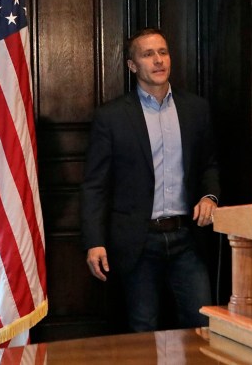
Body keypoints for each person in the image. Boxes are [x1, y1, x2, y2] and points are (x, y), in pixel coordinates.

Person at [80, 27, 220, 332]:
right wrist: (94, 242)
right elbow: (95, 185)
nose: (158, 61)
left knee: (202, 324)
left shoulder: (196, 109)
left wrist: (210, 197)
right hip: (138, 242)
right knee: (143, 328)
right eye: (148, 54)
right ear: (133, 65)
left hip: (187, 239)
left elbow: (209, 164)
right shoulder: (112, 116)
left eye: (163, 52)